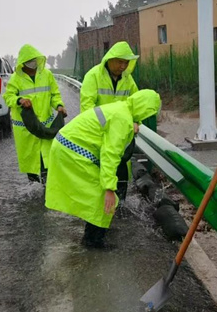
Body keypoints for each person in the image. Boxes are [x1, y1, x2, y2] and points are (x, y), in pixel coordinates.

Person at [45, 89, 161, 247]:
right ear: (145, 109)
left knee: (96, 197)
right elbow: (110, 155)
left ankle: (92, 236)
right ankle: (93, 242)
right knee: (101, 198)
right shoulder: (123, 119)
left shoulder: (123, 109)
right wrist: (109, 188)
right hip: (72, 152)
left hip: (67, 148)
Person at [80, 41, 140, 199]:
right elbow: (87, 108)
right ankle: (101, 204)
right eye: (120, 61)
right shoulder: (93, 76)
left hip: (120, 136)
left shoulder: (128, 79)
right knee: (100, 169)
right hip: (99, 134)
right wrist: (105, 127)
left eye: (126, 62)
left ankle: (120, 203)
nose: (123, 66)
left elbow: (136, 102)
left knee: (120, 168)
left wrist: (136, 121)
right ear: (110, 59)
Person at [3, 45, 66, 183]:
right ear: (23, 62)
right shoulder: (15, 79)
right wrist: (20, 100)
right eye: (30, 60)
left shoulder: (47, 75)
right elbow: (8, 97)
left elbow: (54, 94)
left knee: (47, 157)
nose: (34, 63)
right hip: (26, 127)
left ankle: (46, 183)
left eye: (35, 59)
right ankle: (34, 176)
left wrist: (59, 106)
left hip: (46, 124)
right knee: (31, 157)